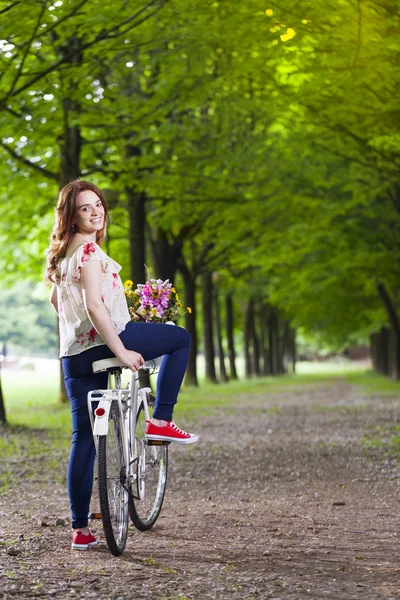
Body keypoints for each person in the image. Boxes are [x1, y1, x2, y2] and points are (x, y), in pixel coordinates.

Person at [45, 180, 198, 551]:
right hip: (107, 340)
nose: (95, 211)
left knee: (83, 438)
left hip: (73, 356)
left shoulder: (62, 255)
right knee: (179, 339)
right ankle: (160, 421)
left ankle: (80, 529)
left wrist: (86, 327)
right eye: (85, 207)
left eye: (98, 204)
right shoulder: (90, 253)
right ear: (71, 214)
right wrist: (122, 349)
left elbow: (56, 302)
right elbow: (96, 307)